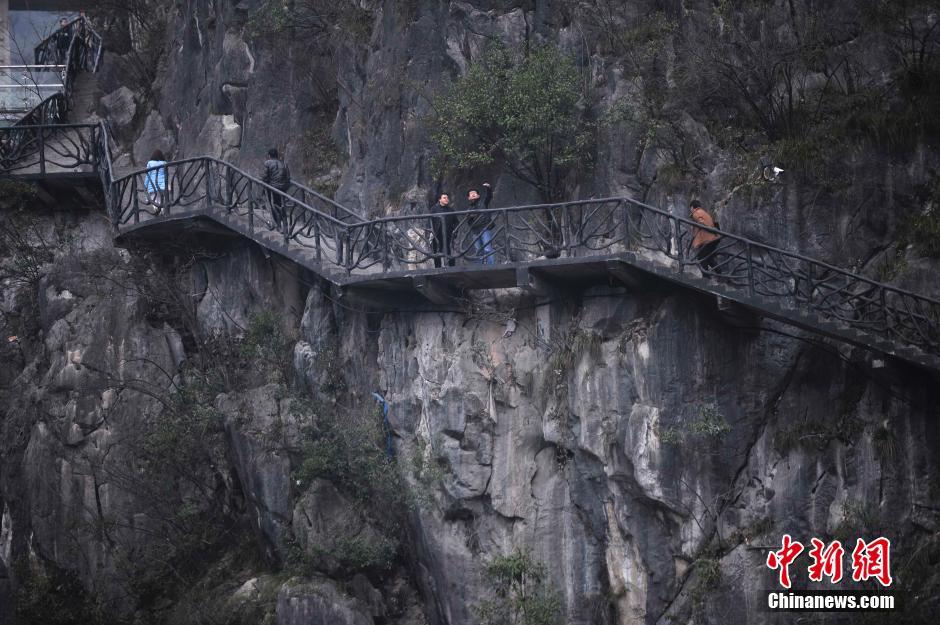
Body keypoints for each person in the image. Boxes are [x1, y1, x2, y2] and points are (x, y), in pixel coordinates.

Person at [261, 148, 291, 232]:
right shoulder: (284, 163)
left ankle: (277, 225)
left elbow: (264, 177)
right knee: (281, 205)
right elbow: (288, 177)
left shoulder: (268, 163)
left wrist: (264, 186)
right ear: (277, 155)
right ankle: (284, 225)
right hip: (283, 188)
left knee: (273, 205)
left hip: (273, 187)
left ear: (269, 155)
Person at [690, 199, 721, 273]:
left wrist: (709, 229)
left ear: (692, 207)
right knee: (708, 258)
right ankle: (720, 274)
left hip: (708, 240)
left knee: (701, 257)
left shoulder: (696, 213)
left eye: (690, 208)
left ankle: (706, 278)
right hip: (713, 239)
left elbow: (701, 222)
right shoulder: (704, 213)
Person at [466, 183, 495, 265]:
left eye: (475, 193)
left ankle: (490, 267)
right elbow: (468, 222)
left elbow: (488, 197)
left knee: (487, 249)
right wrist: (471, 217)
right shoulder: (469, 209)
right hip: (475, 231)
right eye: (471, 194)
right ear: (469, 197)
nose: (473, 194)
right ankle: (480, 267)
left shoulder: (483, 203)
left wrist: (489, 188)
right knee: (478, 250)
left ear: (478, 196)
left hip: (484, 228)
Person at [429, 192, 455, 268]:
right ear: (439, 199)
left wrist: (455, 231)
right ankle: (438, 268)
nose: (446, 199)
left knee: (449, 251)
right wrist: (431, 232)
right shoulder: (434, 209)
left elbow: (456, 221)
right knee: (437, 252)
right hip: (437, 234)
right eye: (444, 198)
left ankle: (452, 267)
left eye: (447, 198)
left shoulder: (450, 209)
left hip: (448, 234)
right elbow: (430, 220)